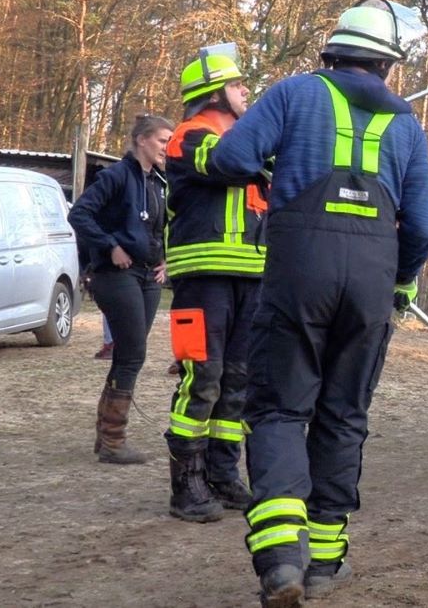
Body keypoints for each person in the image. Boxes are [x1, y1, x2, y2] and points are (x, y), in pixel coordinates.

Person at [208, 0, 428, 606]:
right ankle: (324, 565)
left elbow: (230, 155)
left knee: (282, 408)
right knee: (344, 413)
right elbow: (424, 226)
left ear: (331, 52)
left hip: (298, 266)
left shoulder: (293, 94)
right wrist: (403, 278)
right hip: (372, 276)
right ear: (386, 66)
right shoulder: (408, 125)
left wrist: (268, 173)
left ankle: (283, 559)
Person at [160, 46, 267, 523]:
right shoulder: (189, 137)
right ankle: (186, 485)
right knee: (201, 378)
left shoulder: (252, 144)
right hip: (201, 279)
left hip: (252, 277)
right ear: (215, 93)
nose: (246, 91)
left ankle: (223, 476)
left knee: (237, 382)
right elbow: (229, 163)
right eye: (238, 84)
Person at [68, 114, 174, 465]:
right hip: (115, 276)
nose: (167, 147)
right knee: (131, 355)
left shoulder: (161, 182)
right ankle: (113, 441)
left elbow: (165, 227)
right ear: (142, 140)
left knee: (131, 354)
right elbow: (80, 214)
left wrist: (167, 260)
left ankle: (106, 437)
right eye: (162, 140)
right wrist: (110, 245)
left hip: (148, 278)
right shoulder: (115, 177)